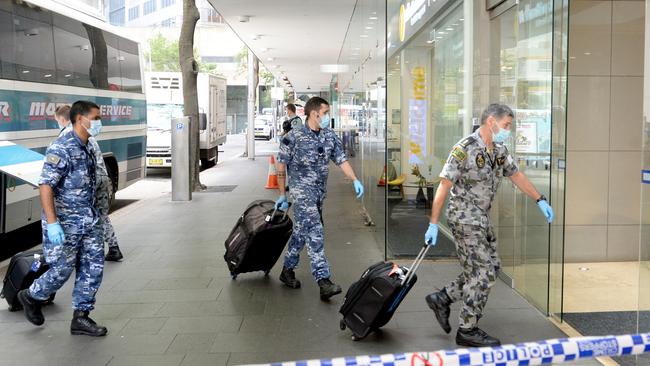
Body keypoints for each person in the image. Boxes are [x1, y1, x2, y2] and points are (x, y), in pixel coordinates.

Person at [424, 103, 554, 347]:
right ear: (491, 122)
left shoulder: (499, 150)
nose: (508, 130)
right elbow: (444, 185)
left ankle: (442, 298)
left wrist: (540, 199)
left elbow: (516, 175)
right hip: (464, 219)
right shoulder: (464, 149)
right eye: (506, 125)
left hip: (481, 219)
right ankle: (467, 329)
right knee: (482, 272)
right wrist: (433, 224)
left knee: (491, 268)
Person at [17, 101, 108, 337]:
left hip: (89, 220)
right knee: (62, 270)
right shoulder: (62, 147)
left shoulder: (87, 145)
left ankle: (81, 317)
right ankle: (31, 295)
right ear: (80, 119)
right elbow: (45, 184)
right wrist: (53, 222)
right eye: (96, 118)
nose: (100, 123)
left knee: (93, 267)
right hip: (65, 223)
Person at [275, 96, 364, 301]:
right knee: (315, 231)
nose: (327, 117)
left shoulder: (329, 137)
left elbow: (341, 160)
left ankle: (287, 270)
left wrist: (355, 180)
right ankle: (323, 280)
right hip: (301, 193)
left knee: (301, 231)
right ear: (314, 113)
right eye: (325, 113)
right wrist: (282, 194)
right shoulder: (293, 136)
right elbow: (281, 166)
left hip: (319, 194)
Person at [54, 105, 123, 262]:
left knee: (84, 216)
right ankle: (112, 247)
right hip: (103, 179)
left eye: (57, 121)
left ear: (63, 119)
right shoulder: (87, 134)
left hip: (90, 183)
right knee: (101, 216)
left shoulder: (67, 137)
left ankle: (84, 252)